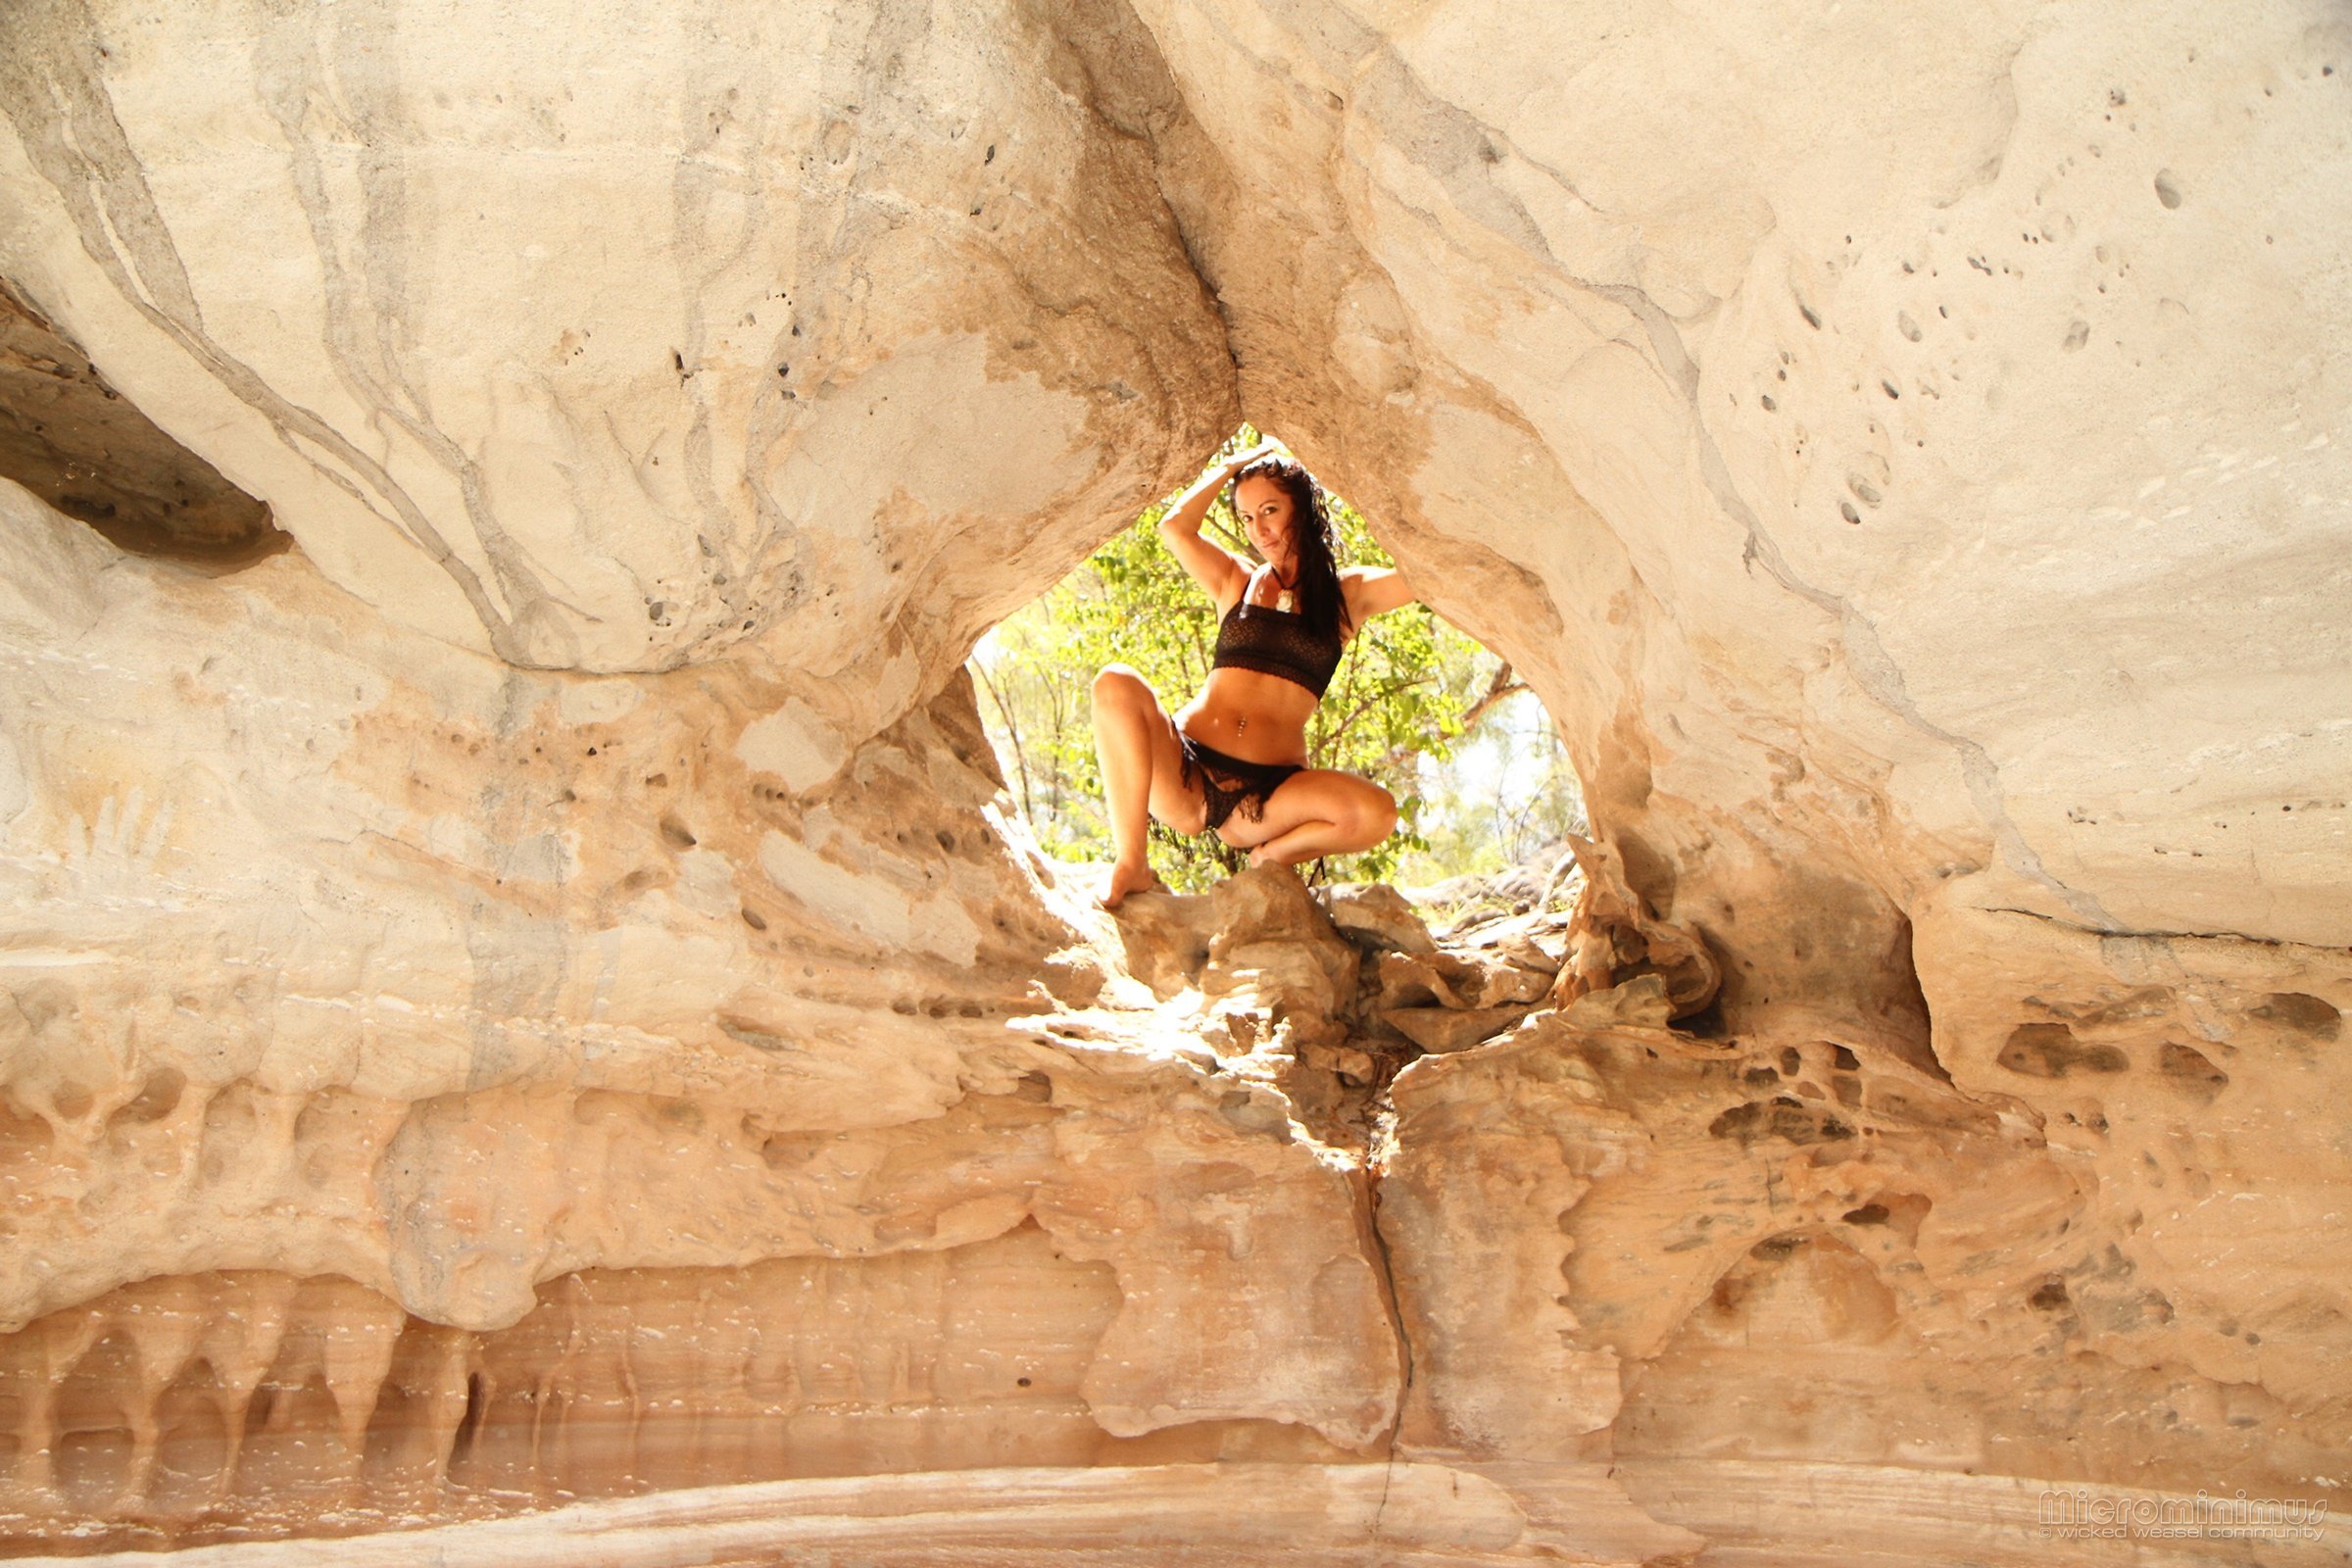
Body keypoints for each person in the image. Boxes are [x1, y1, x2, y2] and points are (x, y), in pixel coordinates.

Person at [1092, 443, 1419, 908]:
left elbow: (1421, 576)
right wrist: (1229, 467)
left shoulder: (1348, 595)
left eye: (1270, 511)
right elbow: (1175, 527)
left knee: (1377, 813)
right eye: (1246, 517)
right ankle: (1132, 862)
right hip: (1187, 769)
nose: (1259, 530)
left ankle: (1270, 856)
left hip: (1270, 794)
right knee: (1114, 682)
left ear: (1301, 509)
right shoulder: (1236, 581)